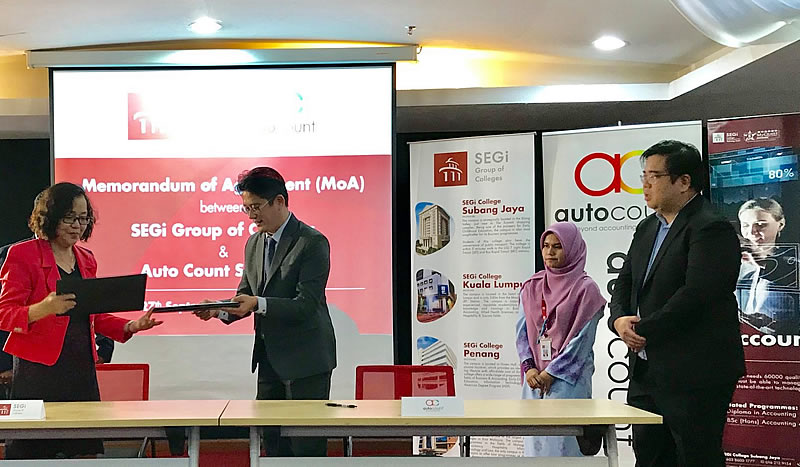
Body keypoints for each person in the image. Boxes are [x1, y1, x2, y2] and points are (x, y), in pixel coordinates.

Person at [0, 182, 162, 459]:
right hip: (38, 370)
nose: (77, 225)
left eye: (83, 218)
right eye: (69, 218)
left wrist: (130, 326)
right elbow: (4, 313)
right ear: (51, 218)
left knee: (83, 449)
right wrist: (43, 308)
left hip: (81, 365)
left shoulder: (86, 259)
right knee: (35, 452)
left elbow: (93, 314)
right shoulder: (22, 254)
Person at [609, 140, 745, 466]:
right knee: (649, 457)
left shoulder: (710, 226)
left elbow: (698, 294)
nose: (645, 184)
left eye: (654, 176)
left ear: (684, 182)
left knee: (695, 457)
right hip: (646, 369)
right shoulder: (647, 227)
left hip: (695, 371)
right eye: (643, 176)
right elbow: (625, 282)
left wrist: (643, 329)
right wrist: (619, 320)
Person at [194, 167, 336, 457]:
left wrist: (258, 303)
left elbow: (306, 305)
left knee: (306, 449)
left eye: (256, 207)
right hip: (269, 360)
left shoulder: (311, 242)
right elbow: (244, 296)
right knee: (272, 445)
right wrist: (218, 309)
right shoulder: (254, 243)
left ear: (279, 201)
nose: (251, 216)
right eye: (246, 208)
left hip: (306, 362)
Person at [516, 221, 606, 457]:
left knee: (564, 450)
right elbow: (521, 334)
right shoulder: (531, 286)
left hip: (568, 383)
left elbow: (581, 343)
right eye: (546, 246)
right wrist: (529, 368)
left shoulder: (587, 290)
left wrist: (550, 374)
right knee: (535, 449)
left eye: (557, 246)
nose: (550, 252)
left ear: (572, 249)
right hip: (533, 382)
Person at [737, 198, 799, 334]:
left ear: (781, 224)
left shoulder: (792, 261)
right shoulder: (739, 266)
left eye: (761, 225)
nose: (752, 232)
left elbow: (790, 273)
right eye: (745, 225)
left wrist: (761, 261)